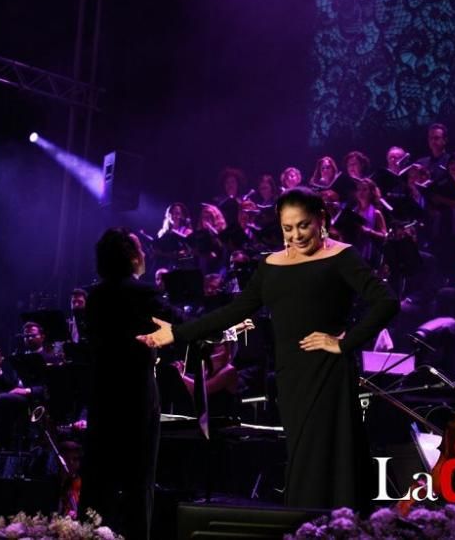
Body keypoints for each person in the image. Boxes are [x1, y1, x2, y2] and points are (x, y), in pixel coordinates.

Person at [137, 188, 399, 510]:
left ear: (321, 218)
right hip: (290, 378)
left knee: (325, 461)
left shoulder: (342, 256)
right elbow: (233, 312)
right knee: (301, 458)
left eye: (303, 225)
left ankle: (329, 527)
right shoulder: (271, 265)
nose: (295, 235)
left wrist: (345, 341)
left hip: (328, 374)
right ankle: (306, 528)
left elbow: (386, 302)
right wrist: (177, 333)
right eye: (287, 228)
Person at [80, 228, 185, 540]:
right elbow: (178, 321)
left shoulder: (95, 296)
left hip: (102, 393)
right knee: (139, 478)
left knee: (98, 477)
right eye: (140, 248)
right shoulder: (142, 292)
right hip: (135, 393)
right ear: (131, 256)